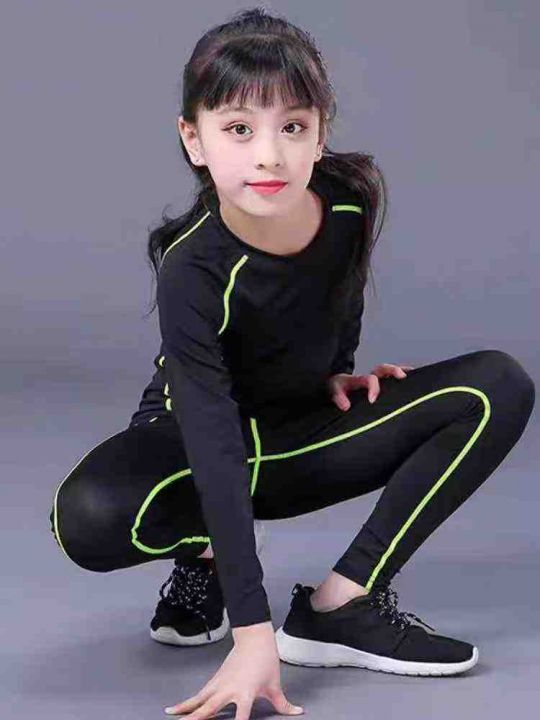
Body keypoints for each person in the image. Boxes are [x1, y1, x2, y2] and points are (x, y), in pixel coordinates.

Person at [49, 6, 536, 719]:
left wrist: (336, 370)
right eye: (239, 130)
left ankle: (343, 605)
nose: (269, 156)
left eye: (293, 127)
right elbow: (213, 436)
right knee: (85, 519)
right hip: (194, 438)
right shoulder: (191, 268)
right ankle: (208, 558)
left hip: (296, 435)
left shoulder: (347, 203)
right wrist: (253, 636)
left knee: (497, 386)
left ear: (320, 134)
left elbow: (341, 295)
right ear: (194, 139)